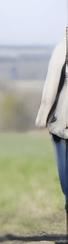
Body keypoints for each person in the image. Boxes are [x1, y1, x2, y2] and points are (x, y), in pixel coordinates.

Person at [37, 29, 68, 208]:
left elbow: (50, 89)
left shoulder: (63, 47)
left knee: (66, 184)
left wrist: (42, 117)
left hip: (63, 123)